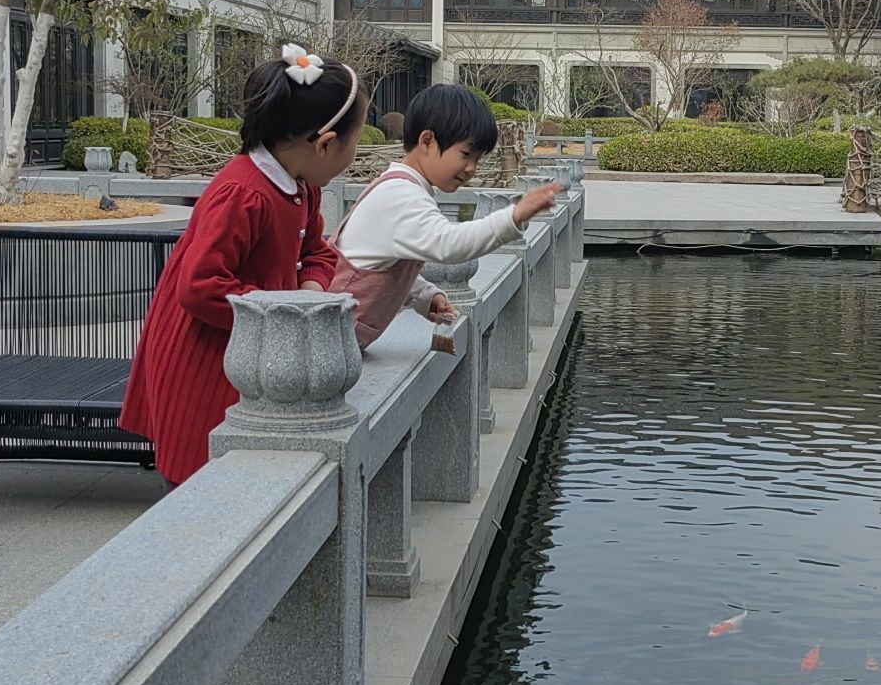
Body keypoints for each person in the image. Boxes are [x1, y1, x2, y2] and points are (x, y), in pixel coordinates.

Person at [120, 46, 367, 485]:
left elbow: (318, 251)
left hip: (251, 348)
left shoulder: (299, 186)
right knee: (204, 475)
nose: (355, 153)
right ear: (327, 144)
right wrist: (280, 309)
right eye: (357, 141)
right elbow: (199, 285)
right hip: (206, 357)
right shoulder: (244, 193)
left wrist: (309, 289)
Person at [331, 83, 561, 349]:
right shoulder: (400, 196)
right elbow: (448, 244)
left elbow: (382, 265)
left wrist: (423, 295)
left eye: (478, 159)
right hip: (329, 344)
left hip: (340, 342)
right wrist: (513, 217)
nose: (471, 168)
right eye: (465, 154)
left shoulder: (401, 187)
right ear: (427, 141)